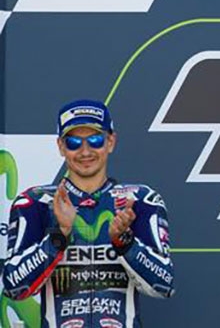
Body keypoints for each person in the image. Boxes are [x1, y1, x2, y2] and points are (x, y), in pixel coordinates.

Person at [3, 99, 174, 327]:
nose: (85, 151)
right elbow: (14, 287)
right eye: (74, 142)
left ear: (110, 142)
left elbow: (164, 284)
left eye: (95, 140)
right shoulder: (36, 203)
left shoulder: (139, 201)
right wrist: (59, 236)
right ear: (61, 146)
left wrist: (124, 242)